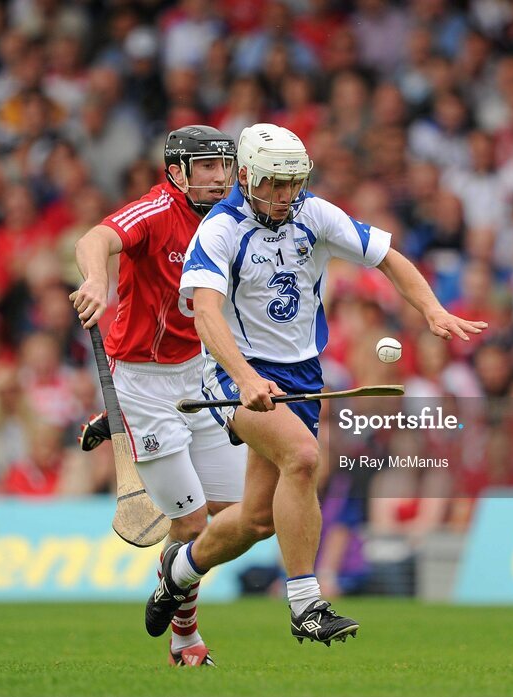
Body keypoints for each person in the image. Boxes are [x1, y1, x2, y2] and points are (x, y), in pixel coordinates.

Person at [146, 123, 486, 646]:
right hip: (235, 370)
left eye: (293, 183)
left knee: (257, 519)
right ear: (246, 176)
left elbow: (388, 256)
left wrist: (433, 310)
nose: (284, 196)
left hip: (303, 375)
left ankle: (179, 572)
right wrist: (245, 377)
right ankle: (306, 603)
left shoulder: (314, 213)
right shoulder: (218, 230)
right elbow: (206, 317)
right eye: (272, 184)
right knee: (304, 458)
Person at [70, 126, 248, 667]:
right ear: (177, 172)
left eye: (225, 166)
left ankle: (171, 577)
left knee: (241, 515)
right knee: (192, 526)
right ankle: (185, 640)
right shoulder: (154, 211)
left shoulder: (235, 216)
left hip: (200, 373)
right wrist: (98, 282)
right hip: (146, 381)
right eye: (207, 167)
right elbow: (94, 239)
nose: (220, 177)